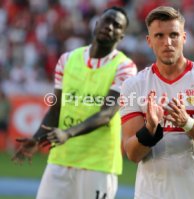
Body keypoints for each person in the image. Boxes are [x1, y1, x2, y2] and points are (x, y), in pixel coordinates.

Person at [12, 6, 137, 199]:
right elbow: (56, 108)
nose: (110, 27)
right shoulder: (67, 59)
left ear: (121, 36)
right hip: (61, 159)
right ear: (96, 24)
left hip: (98, 163)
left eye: (117, 25)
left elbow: (106, 114)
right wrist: (36, 138)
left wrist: (67, 133)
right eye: (107, 21)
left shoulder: (125, 67)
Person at [120, 6, 194, 199]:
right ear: (149, 41)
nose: (168, 42)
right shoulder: (134, 85)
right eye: (159, 36)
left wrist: (187, 123)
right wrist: (150, 129)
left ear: (184, 37)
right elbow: (132, 154)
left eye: (174, 34)